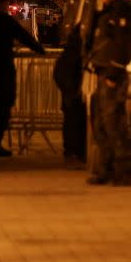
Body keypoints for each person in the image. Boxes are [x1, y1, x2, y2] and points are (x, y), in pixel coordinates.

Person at [0, 0, 45, 156]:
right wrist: (40, 50)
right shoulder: (4, 21)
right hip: (2, 70)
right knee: (2, 107)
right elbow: (24, 37)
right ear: (2, 5)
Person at [85, 0, 131, 186]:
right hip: (101, 72)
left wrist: (114, 73)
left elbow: (123, 47)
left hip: (111, 75)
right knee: (101, 124)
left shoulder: (120, 12)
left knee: (114, 124)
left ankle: (122, 172)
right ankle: (104, 170)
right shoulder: (105, 12)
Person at [53, 21, 86, 169]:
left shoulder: (70, 51)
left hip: (72, 92)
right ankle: (75, 153)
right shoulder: (76, 52)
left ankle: (74, 153)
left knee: (72, 122)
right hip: (74, 93)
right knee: (75, 122)